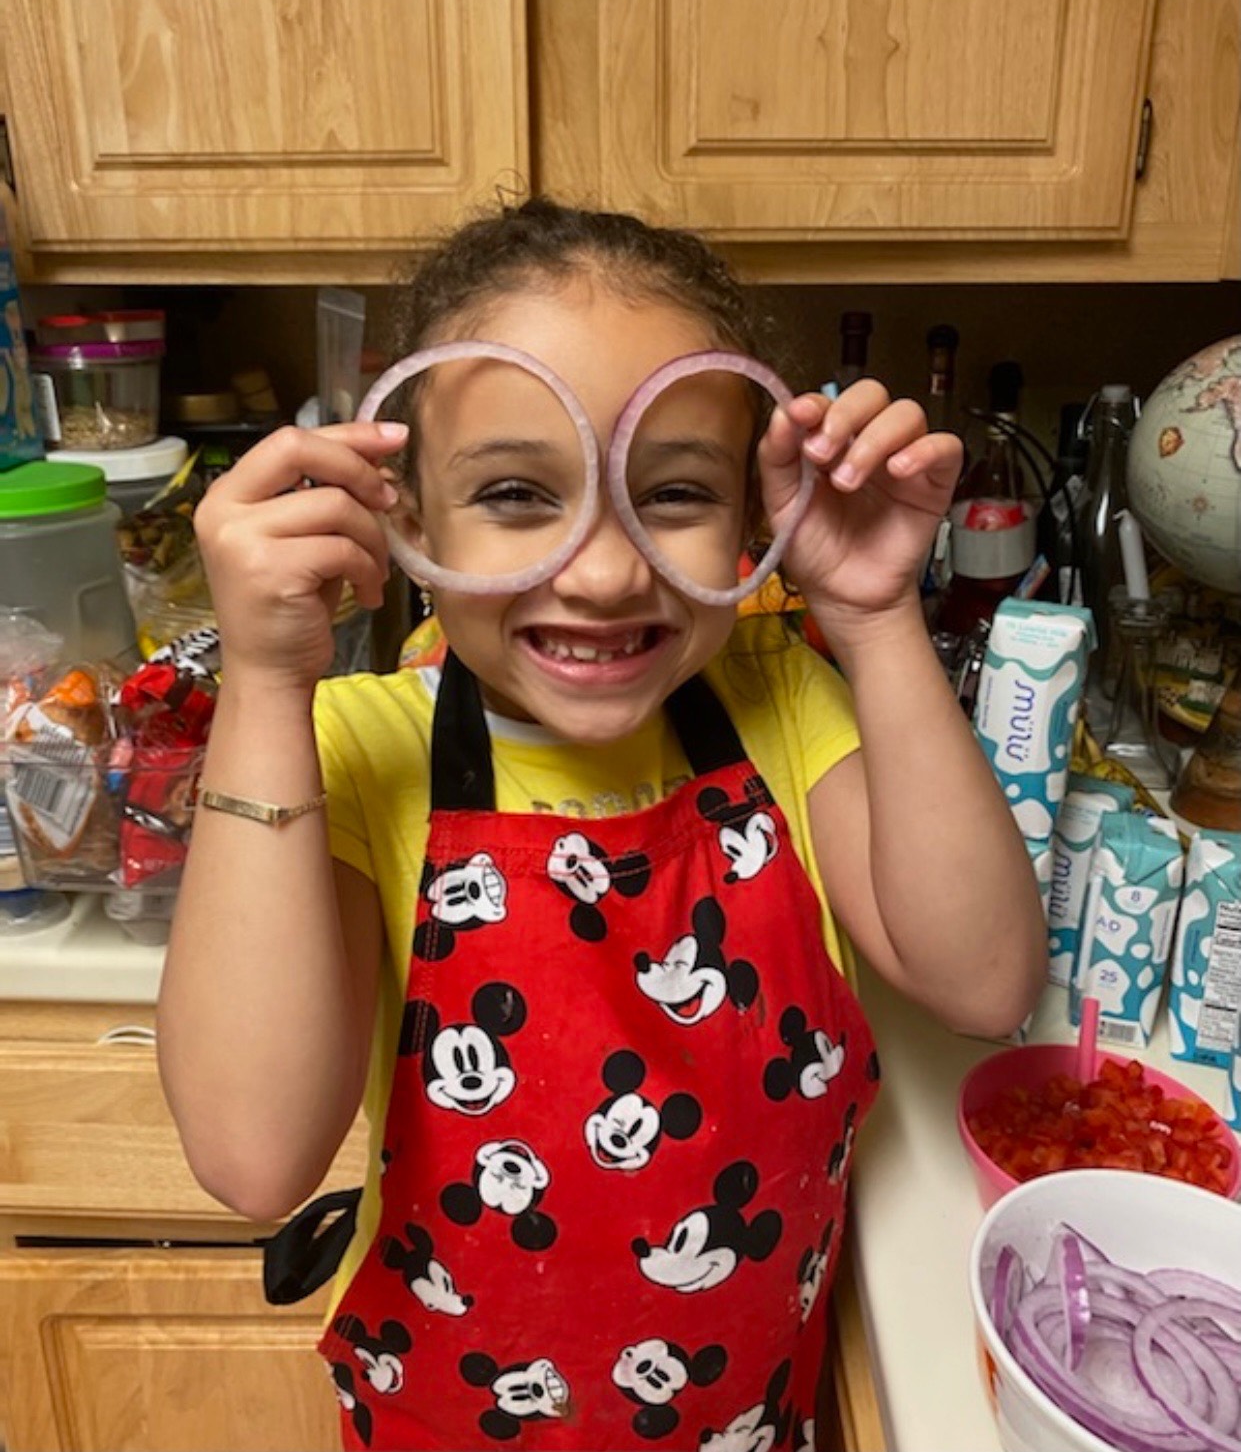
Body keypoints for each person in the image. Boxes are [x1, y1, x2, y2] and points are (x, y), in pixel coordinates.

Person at [157, 199, 1045, 1451]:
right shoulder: (349, 752)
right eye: (518, 493)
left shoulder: (779, 697)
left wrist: (874, 615)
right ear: (407, 519)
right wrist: (260, 681)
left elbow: (983, 979)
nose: (607, 571)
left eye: (672, 492)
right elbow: (253, 1159)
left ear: (752, 522)